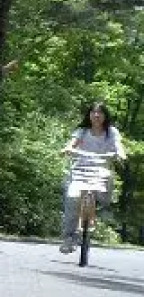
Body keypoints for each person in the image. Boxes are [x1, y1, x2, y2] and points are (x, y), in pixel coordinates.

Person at [59, 101, 128, 254]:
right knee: (72, 197)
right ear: (89, 115)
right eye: (93, 112)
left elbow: (118, 145)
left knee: (107, 182)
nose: (96, 115)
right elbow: (72, 143)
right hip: (80, 170)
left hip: (100, 171)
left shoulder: (112, 132)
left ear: (105, 116)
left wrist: (120, 154)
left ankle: (102, 207)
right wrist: (67, 148)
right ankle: (69, 237)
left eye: (100, 112)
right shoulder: (82, 131)